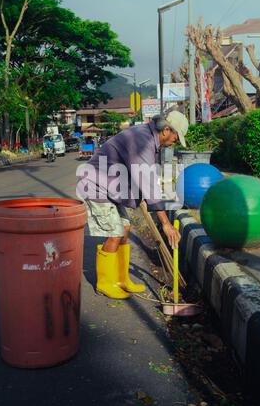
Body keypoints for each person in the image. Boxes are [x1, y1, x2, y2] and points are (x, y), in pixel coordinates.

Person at [77, 111, 189, 300]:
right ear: (166, 130)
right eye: (176, 137)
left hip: (110, 186)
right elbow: (147, 181)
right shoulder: (142, 140)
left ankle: (121, 279)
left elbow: (142, 177)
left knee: (125, 228)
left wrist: (145, 196)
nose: (175, 141)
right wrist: (165, 224)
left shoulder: (148, 138)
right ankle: (105, 283)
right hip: (96, 186)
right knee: (115, 232)